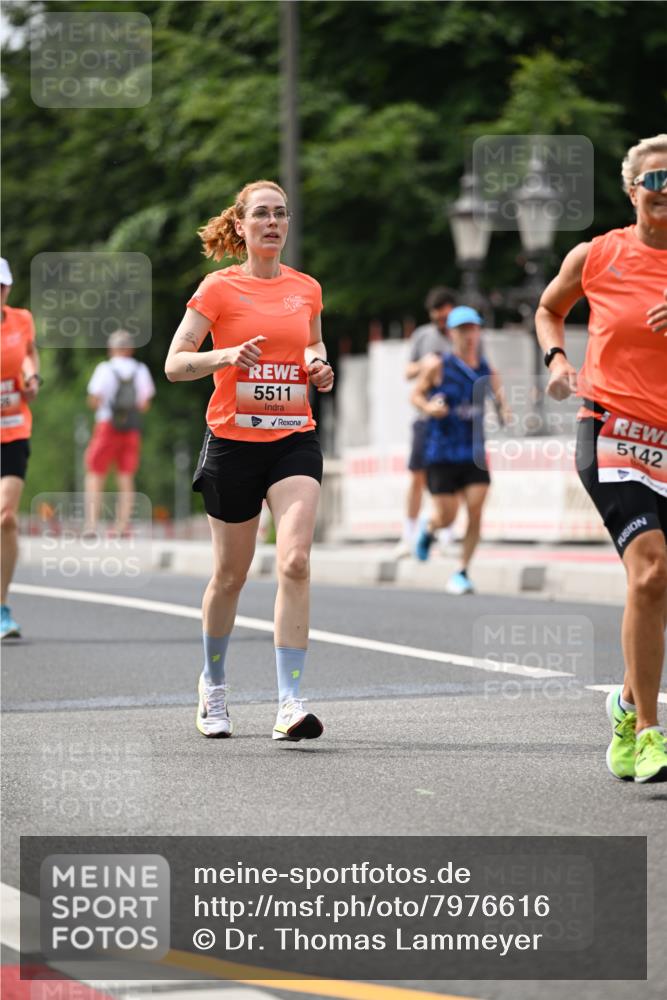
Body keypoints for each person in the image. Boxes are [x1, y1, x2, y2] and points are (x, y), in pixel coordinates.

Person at [165, 179, 334, 742]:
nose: (272, 223)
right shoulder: (218, 289)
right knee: (231, 576)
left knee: (295, 562)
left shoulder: (306, 288)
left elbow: (313, 343)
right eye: (261, 214)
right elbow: (174, 363)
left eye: (280, 214)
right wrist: (227, 355)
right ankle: (212, 685)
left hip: (293, 437)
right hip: (232, 443)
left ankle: (290, 702)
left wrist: (317, 366)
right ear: (240, 225)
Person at [536, 134, 667, 784]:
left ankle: (623, 702)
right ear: (630, 190)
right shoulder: (597, 255)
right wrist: (556, 360)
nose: (664, 192)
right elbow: (547, 309)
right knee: (648, 573)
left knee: (659, 585)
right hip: (611, 426)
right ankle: (649, 732)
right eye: (655, 180)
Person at [411, 306, 508, 595]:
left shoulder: (487, 370)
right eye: (463, 329)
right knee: (448, 517)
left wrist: (505, 411)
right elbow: (415, 394)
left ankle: (462, 571)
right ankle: (429, 530)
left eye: (473, 329)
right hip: (442, 451)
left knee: (476, 511)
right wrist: (429, 407)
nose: (469, 335)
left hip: (474, 452)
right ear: (451, 333)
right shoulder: (438, 365)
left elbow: (500, 399)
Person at [397, 286, 457, 556]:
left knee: (450, 478)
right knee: (417, 477)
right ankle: (408, 534)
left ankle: (446, 532)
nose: (442, 324)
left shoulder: (463, 336)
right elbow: (407, 372)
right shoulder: (424, 336)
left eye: (446, 319)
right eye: (438, 319)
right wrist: (426, 364)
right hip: (426, 418)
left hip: (453, 420)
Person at [1, 257, 41, 639]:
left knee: (6, 517)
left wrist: (31, 379)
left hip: (12, 428)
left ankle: (1, 608)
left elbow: (29, 354)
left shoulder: (21, 319)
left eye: (2, 286)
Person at [84, 329, 155, 536]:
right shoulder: (140, 369)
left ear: (111, 348)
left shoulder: (105, 369)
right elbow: (144, 403)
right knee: (126, 476)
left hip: (107, 425)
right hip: (131, 427)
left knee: (96, 473)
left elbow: (94, 399)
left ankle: (91, 524)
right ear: (131, 349)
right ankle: (122, 526)